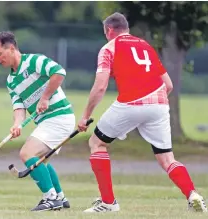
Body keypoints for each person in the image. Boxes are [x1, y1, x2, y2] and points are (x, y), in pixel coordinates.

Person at [78, 12, 207, 213]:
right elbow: (169, 85)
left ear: (109, 30)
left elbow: (100, 86)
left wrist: (85, 116)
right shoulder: (145, 46)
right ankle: (193, 195)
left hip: (131, 103)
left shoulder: (108, 48)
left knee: (97, 143)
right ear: (126, 29)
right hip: (159, 104)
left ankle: (108, 203)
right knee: (167, 159)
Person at [0, 31, 75, 212]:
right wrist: (17, 124)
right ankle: (59, 196)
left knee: (27, 154)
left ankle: (50, 198)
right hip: (47, 121)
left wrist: (44, 98)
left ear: (11, 48)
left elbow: (59, 72)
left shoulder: (34, 61)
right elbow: (19, 107)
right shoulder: (11, 80)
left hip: (59, 116)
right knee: (40, 161)